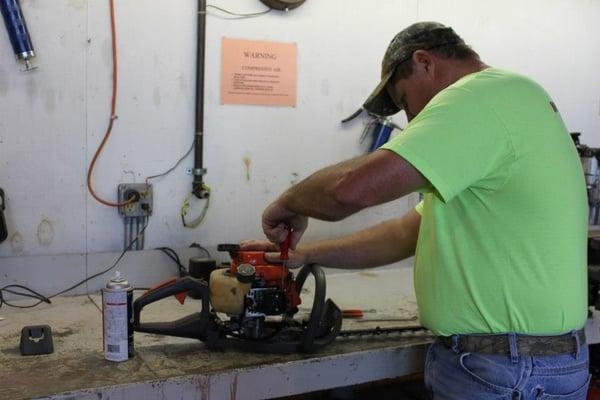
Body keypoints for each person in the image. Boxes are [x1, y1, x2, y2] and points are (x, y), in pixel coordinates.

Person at [241, 22, 590, 399]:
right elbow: (404, 234)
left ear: (424, 62)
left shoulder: (479, 96)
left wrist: (288, 203)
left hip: (507, 370)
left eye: (406, 102)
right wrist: (301, 256)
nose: (411, 120)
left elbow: (349, 191)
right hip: (516, 365)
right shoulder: (507, 105)